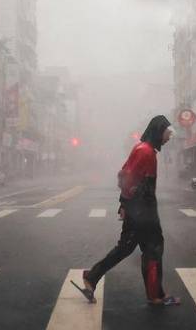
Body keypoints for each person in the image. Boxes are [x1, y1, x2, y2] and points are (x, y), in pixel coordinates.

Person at [72, 115, 181, 306]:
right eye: (167, 133)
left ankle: (93, 277)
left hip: (140, 209)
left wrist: (124, 204)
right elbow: (126, 176)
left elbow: (126, 175)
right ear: (157, 131)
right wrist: (126, 204)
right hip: (142, 211)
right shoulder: (145, 151)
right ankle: (155, 296)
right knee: (152, 249)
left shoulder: (147, 150)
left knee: (130, 248)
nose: (169, 137)